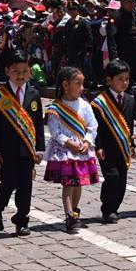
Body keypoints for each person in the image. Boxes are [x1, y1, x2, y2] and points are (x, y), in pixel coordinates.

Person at [0, 51, 45, 237]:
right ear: (7, 71)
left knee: (25, 186)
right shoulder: (0, 95)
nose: (20, 75)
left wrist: (39, 148)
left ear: (30, 72)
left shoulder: (34, 93)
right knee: (8, 182)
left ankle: (21, 220)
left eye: (25, 71)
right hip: (7, 149)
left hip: (27, 149)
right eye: (15, 71)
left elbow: (37, 124)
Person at [44, 66, 99, 233]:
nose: (82, 88)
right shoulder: (56, 107)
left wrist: (88, 142)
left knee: (78, 182)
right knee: (68, 182)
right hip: (65, 151)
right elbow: (54, 131)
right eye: (78, 83)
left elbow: (92, 125)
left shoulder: (85, 105)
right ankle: (69, 215)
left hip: (82, 149)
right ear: (66, 85)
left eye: (82, 84)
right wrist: (68, 143)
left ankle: (75, 210)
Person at [90, 59, 136, 224]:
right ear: (109, 80)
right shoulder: (99, 102)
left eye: (127, 78)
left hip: (123, 147)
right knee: (112, 177)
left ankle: (115, 207)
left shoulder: (130, 99)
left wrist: (132, 145)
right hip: (106, 148)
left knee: (122, 180)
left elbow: (130, 126)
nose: (124, 82)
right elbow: (94, 128)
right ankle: (108, 209)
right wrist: (98, 146)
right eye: (120, 79)